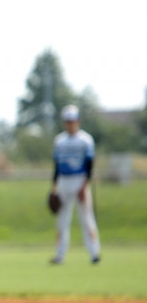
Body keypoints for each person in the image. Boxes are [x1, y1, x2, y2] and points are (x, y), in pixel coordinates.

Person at [50, 104, 101, 265]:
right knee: (62, 220)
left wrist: (85, 185)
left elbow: (90, 165)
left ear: (78, 121)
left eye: (72, 121)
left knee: (86, 218)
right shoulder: (59, 141)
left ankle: (94, 253)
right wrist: (54, 187)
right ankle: (60, 255)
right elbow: (56, 166)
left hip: (80, 179)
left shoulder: (85, 140)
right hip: (64, 180)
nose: (70, 124)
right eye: (67, 121)